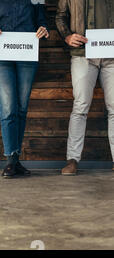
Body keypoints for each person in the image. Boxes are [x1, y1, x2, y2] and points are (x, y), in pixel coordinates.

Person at [0, 0, 49, 178]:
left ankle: (15, 159)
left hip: (28, 52)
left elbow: (43, 21)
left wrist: (43, 29)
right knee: (8, 107)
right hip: (1, 53)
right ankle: (10, 160)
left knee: (21, 108)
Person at [56, 0, 114, 175]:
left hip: (112, 55)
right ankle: (72, 159)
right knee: (80, 107)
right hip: (82, 54)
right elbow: (60, 16)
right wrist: (67, 36)